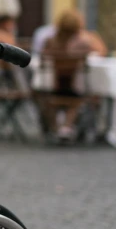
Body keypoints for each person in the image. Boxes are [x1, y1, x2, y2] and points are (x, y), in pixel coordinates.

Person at [40, 10, 106, 141]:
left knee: (46, 97)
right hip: (76, 90)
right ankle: (67, 125)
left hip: (53, 88)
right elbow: (101, 51)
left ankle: (55, 126)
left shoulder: (50, 41)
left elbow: (42, 58)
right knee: (82, 94)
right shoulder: (83, 43)